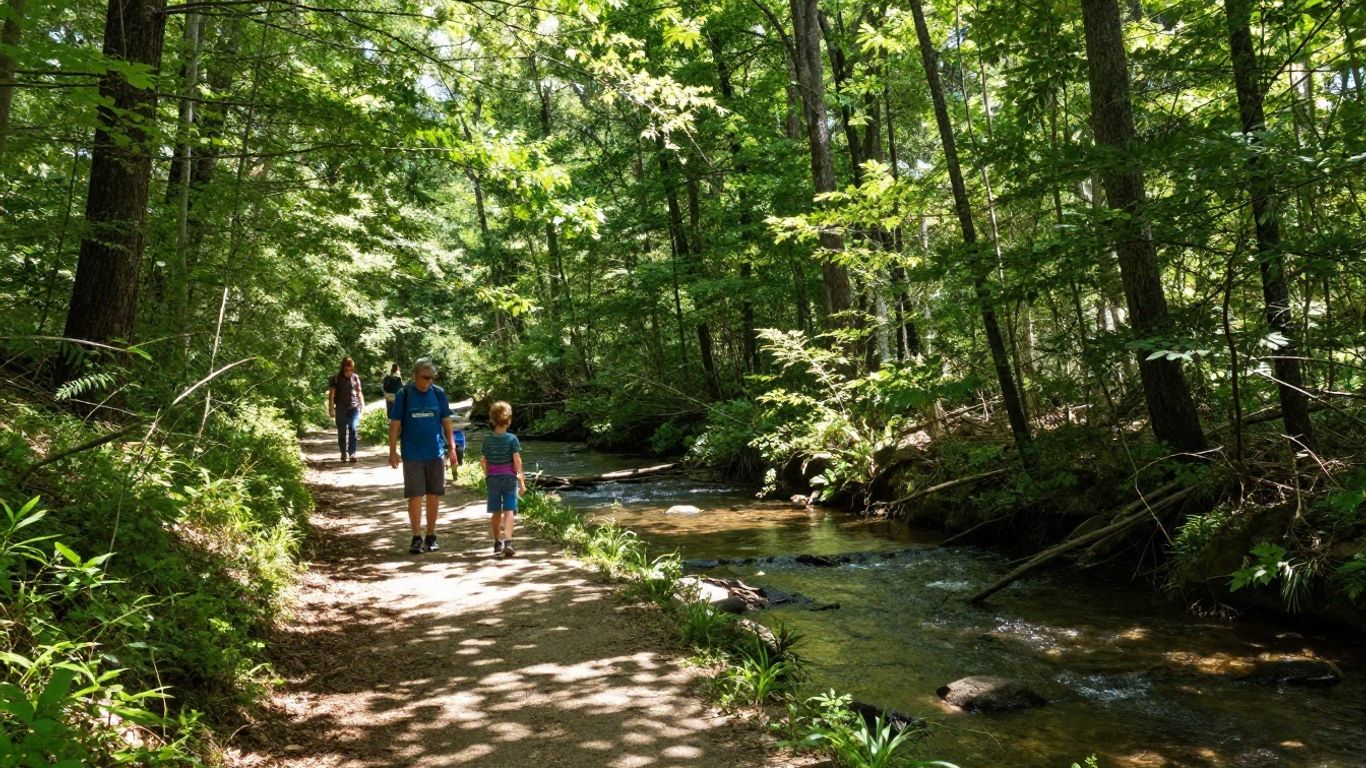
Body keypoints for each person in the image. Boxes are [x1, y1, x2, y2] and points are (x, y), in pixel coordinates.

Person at [388, 358, 457, 554]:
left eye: (432, 378)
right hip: (412, 454)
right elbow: (395, 424)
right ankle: (416, 537)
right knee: (415, 496)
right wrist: (393, 451)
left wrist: (452, 448)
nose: (429, 381)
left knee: (434, 495)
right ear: (416, 375)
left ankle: (431, 535)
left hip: (435, 452)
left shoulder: (438, 393)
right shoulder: (405, 394)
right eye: (426, 377)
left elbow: (446, 421)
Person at [480, 400, 525, 557]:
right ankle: (508, 541)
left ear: (492, 420)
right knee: (509, 509)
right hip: (509, 478)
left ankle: (497, 542)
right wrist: (521, 481)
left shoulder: (487, 440)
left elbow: (483, 460)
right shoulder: (512, 439)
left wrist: (488, 473)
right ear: (509, 420)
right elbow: (517, 461)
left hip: (493, 478)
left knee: (495, 511)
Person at [327, 356, 364, 463]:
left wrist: (362, 405)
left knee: (353, 428)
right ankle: (343, 452)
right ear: (343, 368)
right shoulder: (336, 378)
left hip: (354, 407)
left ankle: (352, 454)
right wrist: (331, 409)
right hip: (340, 408)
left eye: (351, 369)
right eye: (347, 370)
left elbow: (359, 392)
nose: (349, 372)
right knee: (342, 432)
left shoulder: (355, 378)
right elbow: (331, 394)